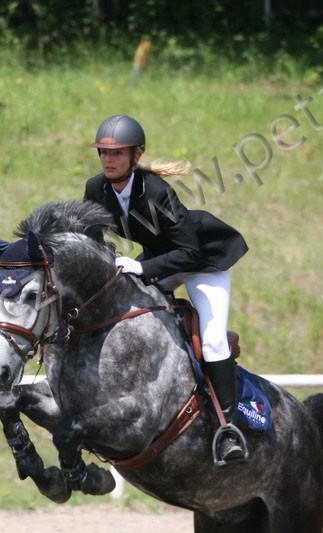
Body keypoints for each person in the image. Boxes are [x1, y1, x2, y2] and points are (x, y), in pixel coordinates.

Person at [83, 114, 250, 465]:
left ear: (136, 155)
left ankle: (229, 429)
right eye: (104, 153)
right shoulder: (96, 189)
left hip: (202, 261)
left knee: (213, 340)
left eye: (117, 153)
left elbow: (189, 252)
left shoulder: (156, 191)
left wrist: (142, 268)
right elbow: (92, 243)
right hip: (161, 258)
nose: (108, 160)